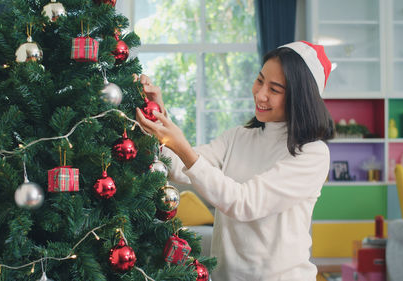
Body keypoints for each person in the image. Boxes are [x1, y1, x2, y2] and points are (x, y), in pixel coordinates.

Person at [136, 41, 335, 281]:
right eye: (260, 80)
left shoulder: (312, 153)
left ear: (299, 98)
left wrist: (182, 146)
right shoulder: (238, 137)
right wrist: (156, 113)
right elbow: (178, 168)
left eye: (275, 89)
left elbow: (244, 203)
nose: (260, 94)